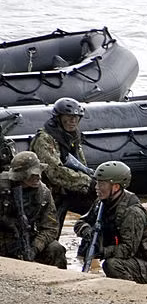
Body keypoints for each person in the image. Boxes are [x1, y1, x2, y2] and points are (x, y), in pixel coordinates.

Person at [74, 161, 147, 284]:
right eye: (97, 183)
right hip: (121, 254)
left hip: (143, 264)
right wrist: (86, 230)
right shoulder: (101, 202)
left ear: (116, 187)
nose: (96, 187)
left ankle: (130, 288)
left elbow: (128, 249)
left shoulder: (132, 213)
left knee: (111, 265)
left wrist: (102, 252)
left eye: (102, 184)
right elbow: (81, 222)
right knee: (89, 241)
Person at [29, 97, 93, 229]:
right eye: (68, 117)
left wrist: (92, 181)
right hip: (48, 195)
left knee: (98, 206)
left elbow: (81, 165)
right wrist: (87, 182)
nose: (72, 121)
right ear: (58, 118)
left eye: (76, 117)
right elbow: (55, 173)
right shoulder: (45, 139)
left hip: (67, 191)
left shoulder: (72, 138)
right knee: (50, 234)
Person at [0, 151, 66, 268]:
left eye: (39, 173)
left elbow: (51, 228)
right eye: (32, 174)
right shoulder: (3, 187)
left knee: (55, 249)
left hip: (27, 239)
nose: (38, 177)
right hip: (3, 239)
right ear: (21, 175)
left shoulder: (43, 193)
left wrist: (35, 247)